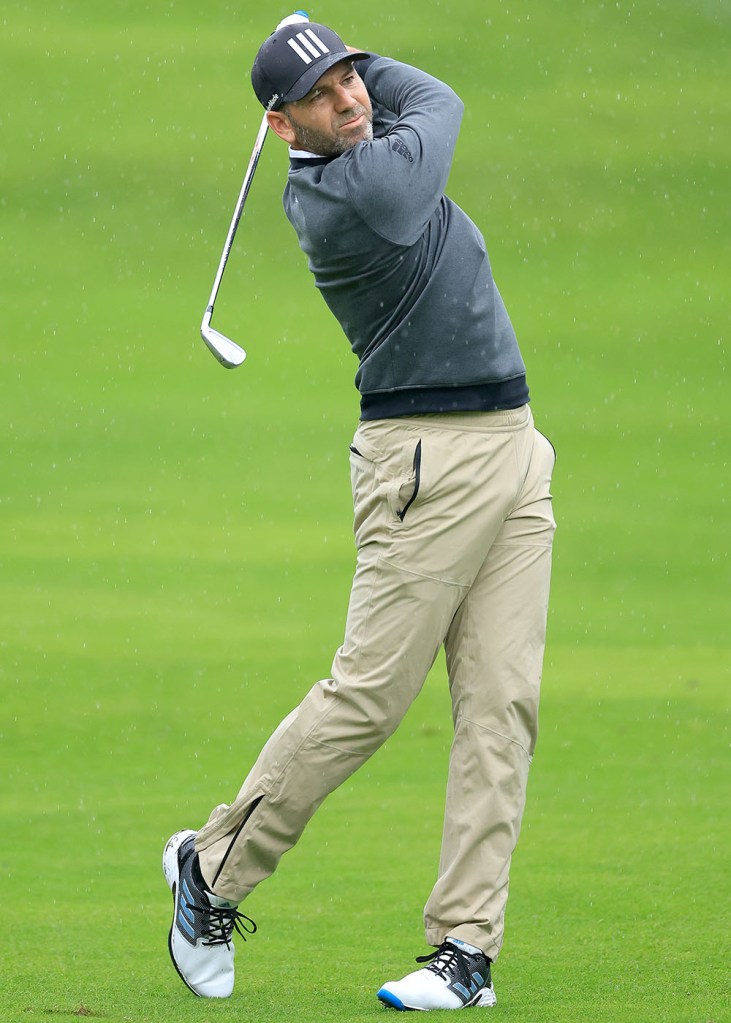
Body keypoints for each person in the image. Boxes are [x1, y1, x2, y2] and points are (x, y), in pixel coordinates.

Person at [163, 18, 556, 1012]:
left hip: (513, 446)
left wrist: (328, 62)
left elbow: (401, 99)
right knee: (369, 697)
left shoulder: (359, 139)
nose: (350, 98)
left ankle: (463, 951)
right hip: (424, 464)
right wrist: (362, 74)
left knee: (498, 709)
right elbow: (444, 101)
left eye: (350, 76)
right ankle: (211, 873)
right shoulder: (353, 194)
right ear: (281, 125)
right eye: (322, 93)